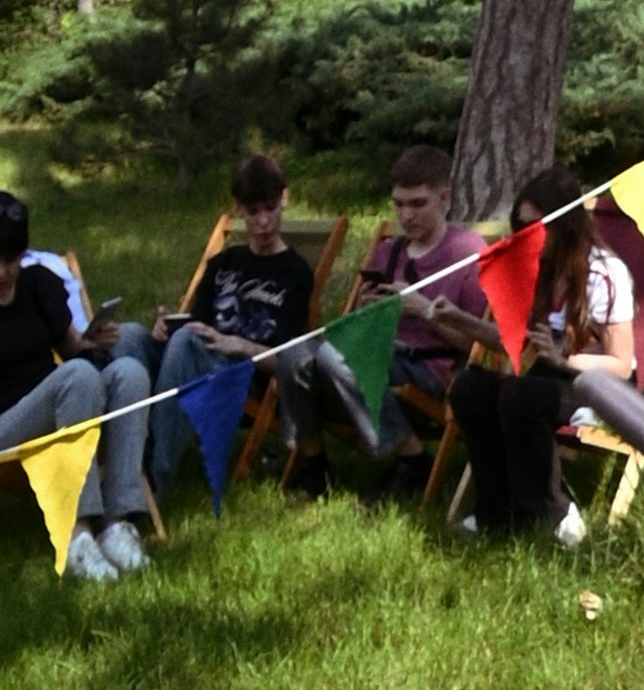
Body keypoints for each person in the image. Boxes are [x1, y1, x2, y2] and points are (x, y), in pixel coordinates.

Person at [447, 174, 640, 542]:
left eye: (534, 225)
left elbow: (620, 362)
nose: (524, 235)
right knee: (469, 389)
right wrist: (452, 318)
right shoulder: (537, 269)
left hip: (599, 384)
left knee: (522, 397)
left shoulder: (604, 272)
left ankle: (554, 514)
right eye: (519, 225)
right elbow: (516, 344)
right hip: (546, 374)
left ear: (565, 224)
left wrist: (564, 359)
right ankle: (494, 511)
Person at [0, 193, 159, 575]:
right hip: (5, 420)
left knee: (129, 373)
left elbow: (72, 348)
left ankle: (117, 523)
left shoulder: (37, 284)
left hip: (55, 399)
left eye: (11, 260)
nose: (2, 272)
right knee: (79, 377)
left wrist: (95, 339)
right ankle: (77, 532)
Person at [157, 154, 319, 487]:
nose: (262, 222)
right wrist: (167, 327)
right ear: (239, 209)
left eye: (270, 209)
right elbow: (196, 322)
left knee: (185, 343)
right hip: (199, 356)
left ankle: (155, 474)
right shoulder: (223, 263)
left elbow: (288, 360)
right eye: (253, 211)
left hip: (246, 373)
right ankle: (118, 469)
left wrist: (239, 345)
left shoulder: (296, 273)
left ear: (285, 200)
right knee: (130, 336)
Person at [318, 146, 475, 477]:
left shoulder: (467, 253)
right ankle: (317, 463)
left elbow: (479, 345)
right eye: (399, 205)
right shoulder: (389, 252)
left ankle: (410, 460)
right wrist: (364, 311)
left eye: (418, 204)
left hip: (431, 366)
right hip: (384, 354)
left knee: (337, 359)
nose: (406, 216)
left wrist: (423, 310)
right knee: (307, 358)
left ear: (444, 197)